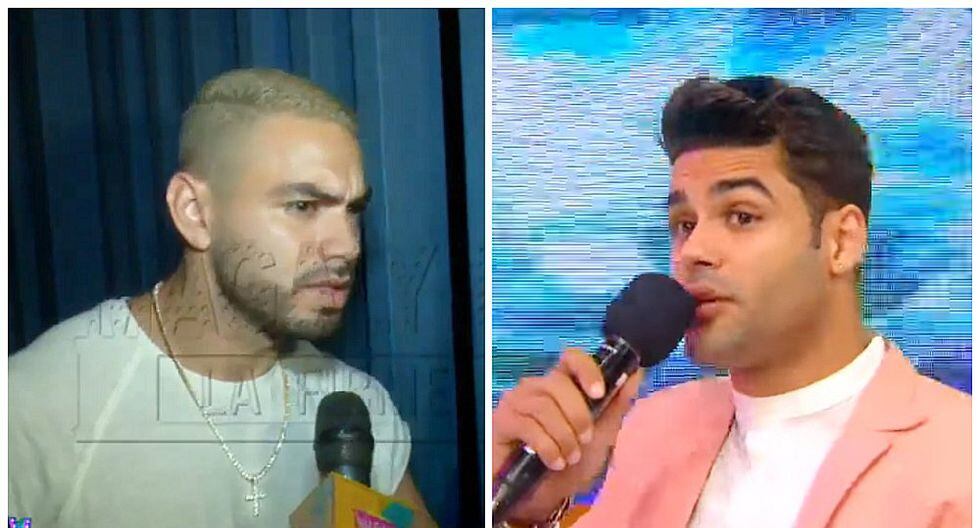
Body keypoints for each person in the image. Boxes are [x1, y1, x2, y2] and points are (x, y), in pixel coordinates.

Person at [491, 76, 971, 527]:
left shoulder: (960, 456)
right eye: (685, 224)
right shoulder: (653, 430)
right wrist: (531, 510)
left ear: (841, 242)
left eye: (741, 216)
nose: (693, 251)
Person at [9, 68, 436, 527]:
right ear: (194, 212)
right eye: (302, 206)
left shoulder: (355, 410)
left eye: (352, 210)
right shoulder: (40, 403)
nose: (347, 246)